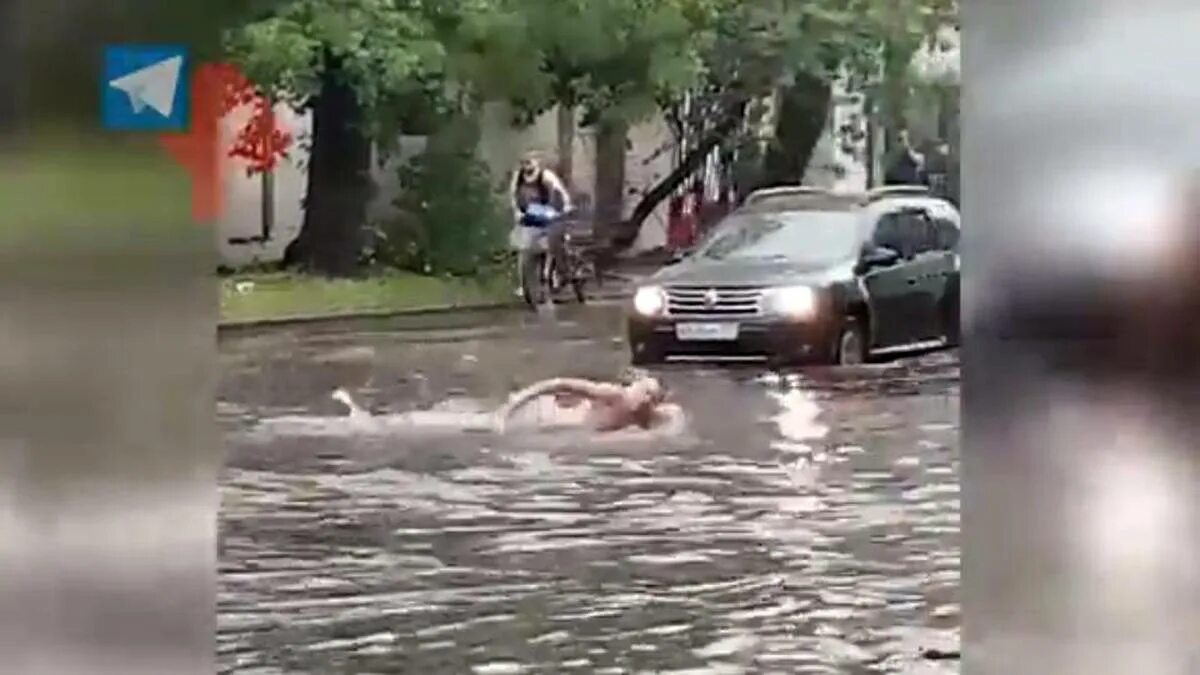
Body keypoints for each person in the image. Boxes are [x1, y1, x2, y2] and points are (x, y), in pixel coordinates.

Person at [495, 375, 675, 433]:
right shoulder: (613, 395)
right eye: (644, 392)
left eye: (651, 396)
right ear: (634, 388)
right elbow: (560, 383)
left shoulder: (659, 417)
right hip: (568, 420)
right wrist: (518, 400)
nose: (646, 399)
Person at [510, 151, 573, 290]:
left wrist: (564, 207)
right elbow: (514, 197)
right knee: (525, 248)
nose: (527, 166)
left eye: (529, 162)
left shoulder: (546, 176)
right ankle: (525, 283)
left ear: (536, 162)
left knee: (555, 241)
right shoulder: (518, 177)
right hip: (531, 215)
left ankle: (563, 273)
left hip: (550, 212)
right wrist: (517, 212)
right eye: (524, 163)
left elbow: (560, 193)